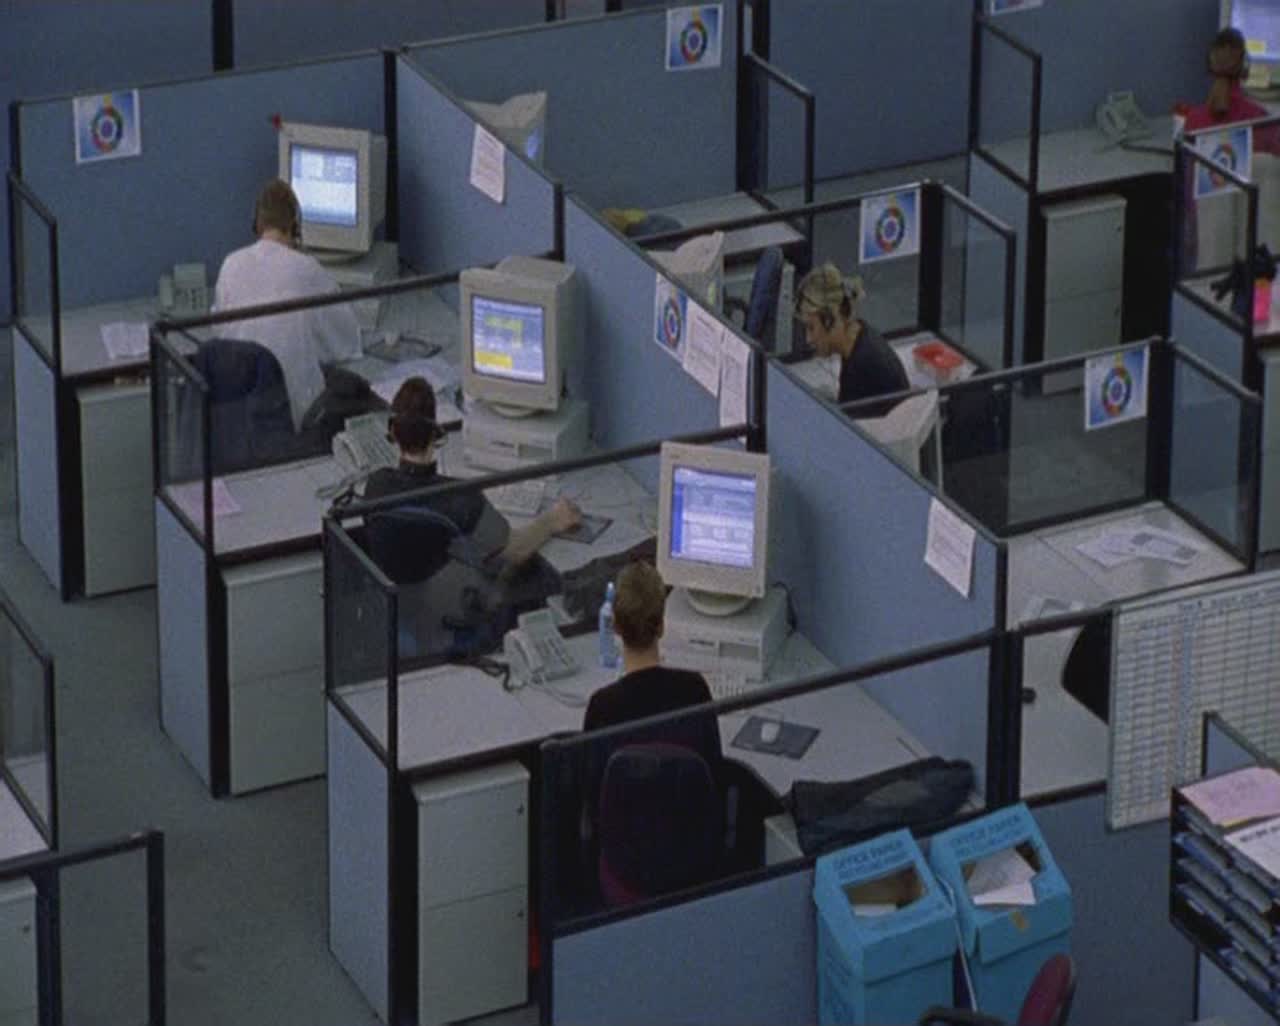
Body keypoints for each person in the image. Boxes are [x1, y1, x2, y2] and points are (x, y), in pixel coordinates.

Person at [362, 377, 580, 657]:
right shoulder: (459, 498)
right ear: (436, 434)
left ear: (393, 431)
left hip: (405, 610)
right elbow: (515, 550)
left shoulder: (376, 485)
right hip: (446, 613)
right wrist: (551, 521)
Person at [213, 178, 362, 431]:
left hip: (241, 411)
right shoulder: (306, 268)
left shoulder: (230, 264)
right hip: (294, 414)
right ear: (295, 227)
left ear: (256, 224)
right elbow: (347, 341)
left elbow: (220, 333)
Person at [582, 560, 721, 771]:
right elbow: (714, 772)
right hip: (682, 794)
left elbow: (590, 783)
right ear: (662, 627)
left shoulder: (602, 706)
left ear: (616, 626)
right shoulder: (694, 689)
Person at [793, 262, 909, 414]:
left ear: (831, 319)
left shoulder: (863, 367)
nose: (808, 339)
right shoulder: (859, 336)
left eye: (811, 328)